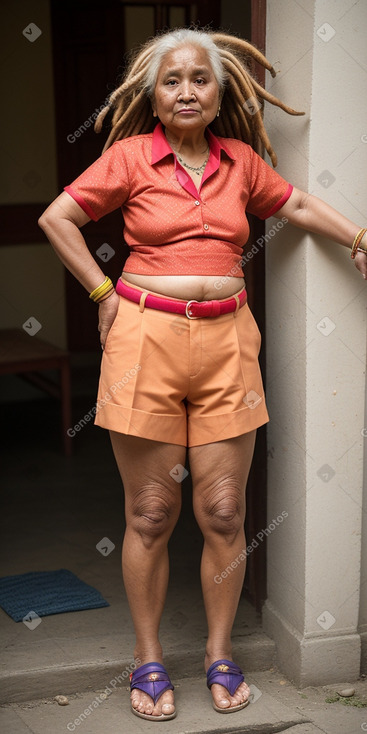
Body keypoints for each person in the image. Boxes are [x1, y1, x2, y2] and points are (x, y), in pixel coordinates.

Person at [38, 28, 367, 722]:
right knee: (150, 513)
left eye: (200, 78)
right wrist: (103, 297)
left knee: (222, 512)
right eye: (171, 80)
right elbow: (58, 216)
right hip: (143, 339)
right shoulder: (129, 158)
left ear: (220, 95)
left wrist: (360, 238)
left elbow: (298, 207)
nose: (186, 89)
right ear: (151, 98)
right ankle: (148, 656)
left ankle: (220, 651)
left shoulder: (241, 162)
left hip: (226, 343)